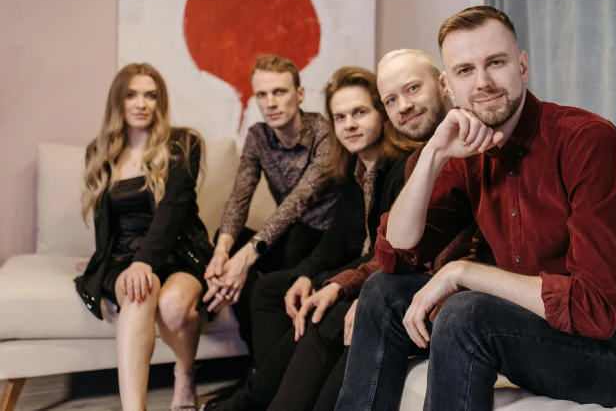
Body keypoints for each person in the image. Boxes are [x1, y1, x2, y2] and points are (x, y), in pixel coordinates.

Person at [336, 6, 616, 410]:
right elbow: (394, 254)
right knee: (380, 291)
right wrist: (433, 154)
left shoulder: (587, 142)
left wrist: (462, 271)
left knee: (467, 315)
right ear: (448, 86)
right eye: (465, 70)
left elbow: (595, 311)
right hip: (549, 329)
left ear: (522, 66)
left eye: (495, 63)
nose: (483, 82)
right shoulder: (468, 148)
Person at [205, 66, 417, 411]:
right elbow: (339, 235)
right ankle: (262, 389)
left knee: (318, 302)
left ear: (383, 113)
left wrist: (330, 281)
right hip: (346, 261)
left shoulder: (400, 167)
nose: (349, 124)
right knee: (273, 289)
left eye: (360, 113)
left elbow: (389, 253)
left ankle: (258, 396)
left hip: (380, 276)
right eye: (341, 116)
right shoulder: (354, 167)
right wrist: (305, 274)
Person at [75, 63, 213, 411]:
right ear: (117, 101)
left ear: (160, 102)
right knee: (140, 290)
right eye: (132, 95)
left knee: (172, 307)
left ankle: (185, 374)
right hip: (124, 259)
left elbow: (172, 213)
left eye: (151, 95)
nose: (142, 103)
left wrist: (143, 263)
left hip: (177, 252)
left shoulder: (184, 143)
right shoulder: (99, 150)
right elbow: (106, 222)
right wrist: (104, 262)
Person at [202, 55, 340, 360]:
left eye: (280, 92)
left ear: (299, 95)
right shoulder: (258, 136)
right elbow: (239, 198)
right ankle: (257, 359)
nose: (271, 103)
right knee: (228, 241)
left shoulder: (324, 133)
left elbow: (296, 202)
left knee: (277, 244)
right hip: (289, 235)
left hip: (325, 241)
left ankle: (270, 367)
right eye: (262, 95)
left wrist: (246, 257)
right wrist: (222, 253)